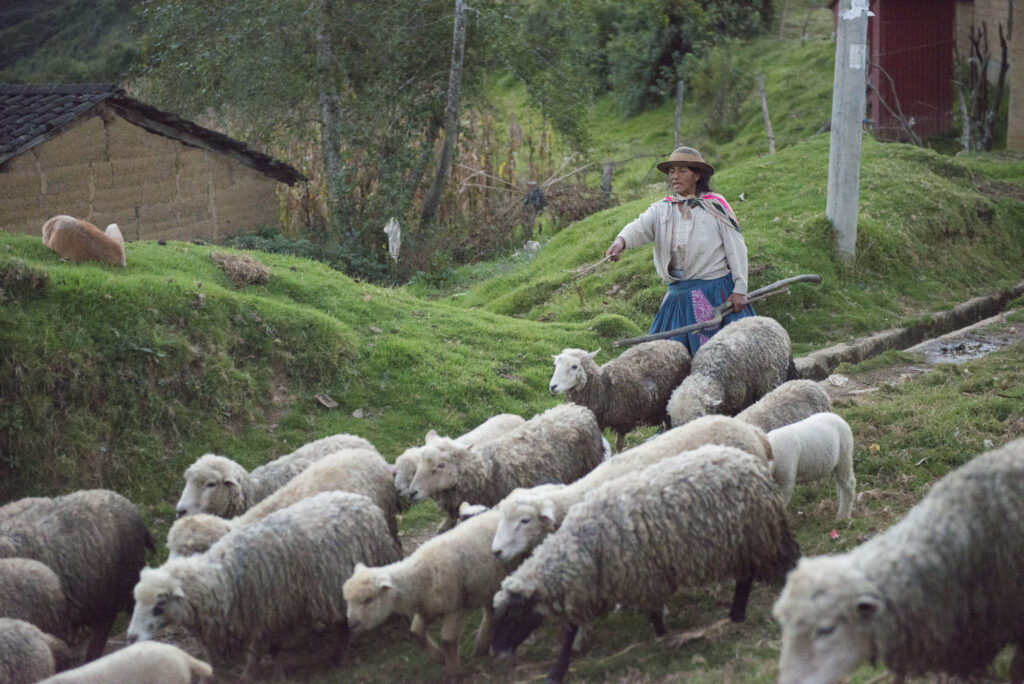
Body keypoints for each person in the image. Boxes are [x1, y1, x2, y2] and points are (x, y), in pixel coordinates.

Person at [605, 146, 755, 356]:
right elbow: (639, 226)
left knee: (717, 357)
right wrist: (621, 242)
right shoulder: (662, 208)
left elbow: (736, 246)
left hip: (712, 293)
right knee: (665, 359)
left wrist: (740, 288)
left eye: (682, 171)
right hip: (677, 297)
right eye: (672, 171)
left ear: (696, 175)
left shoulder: (715, 206)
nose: (674, 176)